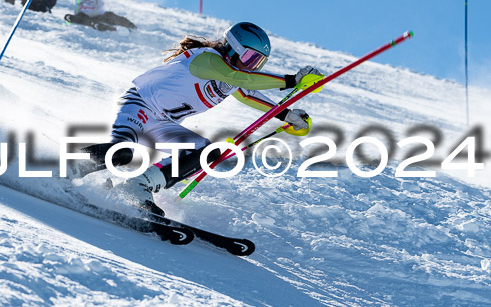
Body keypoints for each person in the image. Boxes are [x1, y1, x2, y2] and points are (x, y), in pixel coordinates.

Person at [70, 22, 324, 214]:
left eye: (257, 63)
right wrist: (292, 80)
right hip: (140, 104)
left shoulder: (232, 76)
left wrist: (287, 114)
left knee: (208, 152)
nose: (251, 66)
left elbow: (249, 94)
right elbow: (241, 79)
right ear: (231, 47)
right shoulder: (208, 59)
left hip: (163, 124)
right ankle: (67, 168)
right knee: (123, 152)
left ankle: (137, 188)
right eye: (248, 57)